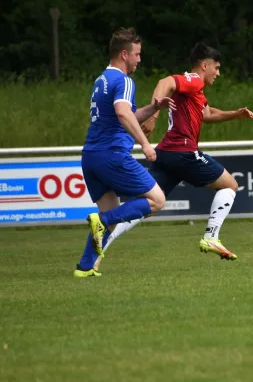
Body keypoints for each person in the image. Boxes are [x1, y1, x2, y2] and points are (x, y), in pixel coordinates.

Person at [95, 42, 253, 265]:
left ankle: (102, 240)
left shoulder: (196, 91)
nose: (218, 73)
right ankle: (211, 237)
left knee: (145, 206)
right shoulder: (193, 79)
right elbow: (165, 82)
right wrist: (153, 115)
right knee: (230, 185)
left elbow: (208, 113)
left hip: (166, 153)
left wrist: (235, 114)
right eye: (216, 68)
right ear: (205, 65)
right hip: (183, 152)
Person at [73, 27, 176, 278]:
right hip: (113, 154)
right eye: (137, 54)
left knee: (110, 213)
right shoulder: (124, 80)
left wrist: (153, 108)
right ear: (124, 54)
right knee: (157, 200)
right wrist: (145, 143)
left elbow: (125, 114)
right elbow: (122, 113)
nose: (139, 60)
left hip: (91, 156)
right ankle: (103, 222)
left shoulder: (102, 80)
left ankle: (86, 267)